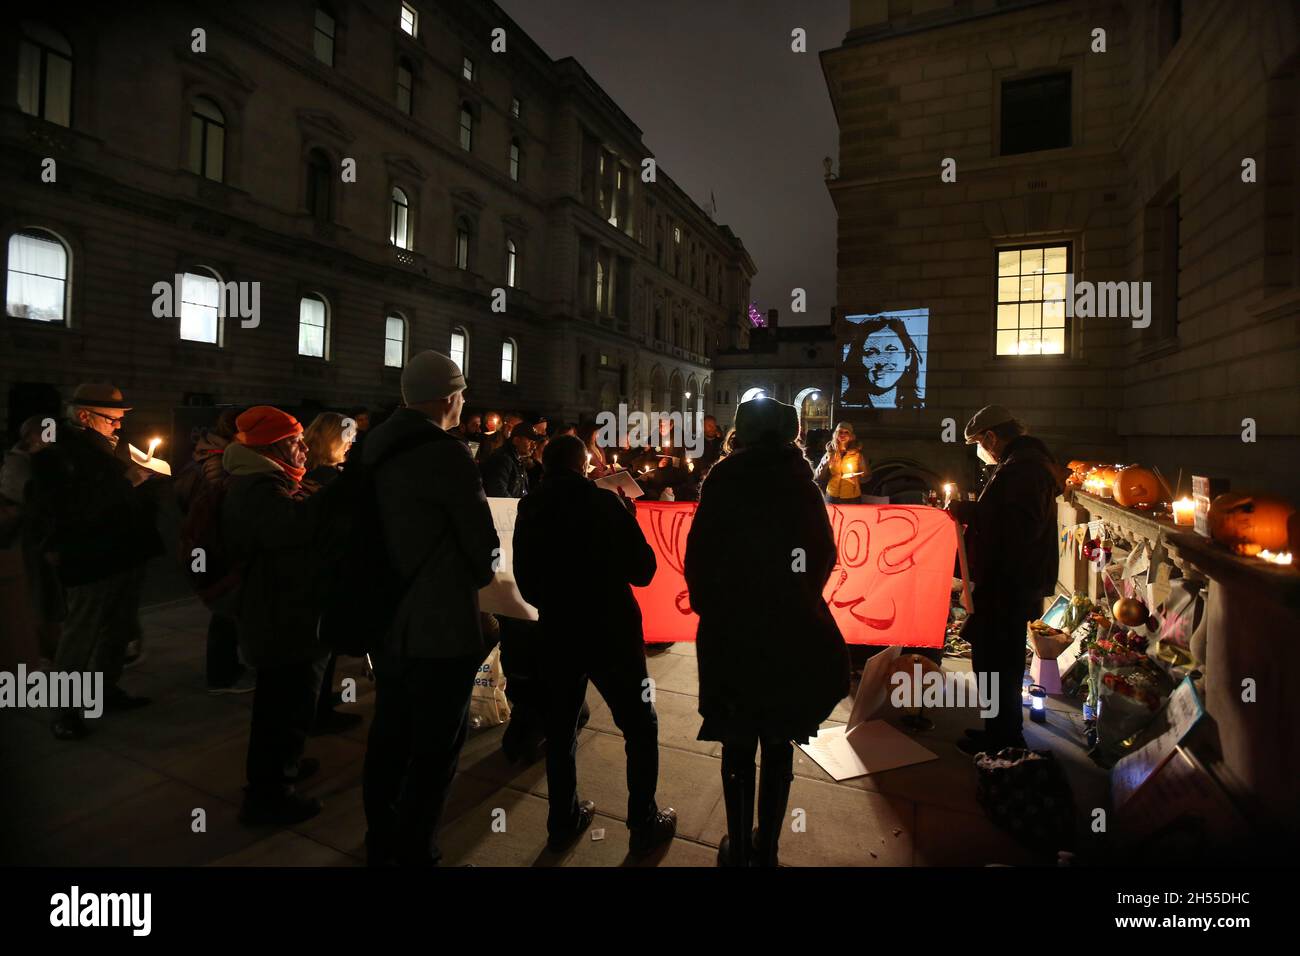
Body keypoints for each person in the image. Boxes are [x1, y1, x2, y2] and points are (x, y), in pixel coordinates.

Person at [684, 397, 849, 866]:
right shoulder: (802, 483)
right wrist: (797, 596)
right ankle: (767, 849)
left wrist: (710, 603)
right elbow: (822, 553)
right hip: (789, 629)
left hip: (732, 630)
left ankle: (737, 848)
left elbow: (701, 553)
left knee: (738, 741)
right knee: (778, 740)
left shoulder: (725, 478)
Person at [362, 350, 500, 866]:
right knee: (438, 742)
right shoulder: (446, 454)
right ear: (448, 398)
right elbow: (481, 549)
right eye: (462, 393)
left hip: (384, 613)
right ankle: (415, 849)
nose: (465, 401)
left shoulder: (375, 443)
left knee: (389, 732)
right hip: (437, 622)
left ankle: (382, 838)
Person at [513, 434, 677, 855]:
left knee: (561, 730)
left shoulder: (530, 508)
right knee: (640, 726)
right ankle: (643, 821)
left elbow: (527, 583)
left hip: (558, 633)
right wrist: (628, 518)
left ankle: (562, 821)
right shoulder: (604, 504)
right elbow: (642, 571)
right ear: (583, 466)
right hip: (611, 632)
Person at [27, 384, 165, 740]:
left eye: (120, 419)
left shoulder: (110, 444)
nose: (119, 426)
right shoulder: (56, 452)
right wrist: (129, 482)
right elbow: (68, 509)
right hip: (90, 558)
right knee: (80, 635)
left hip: (127, 552)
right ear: (85, 416)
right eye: (112, 419)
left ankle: (105, 691)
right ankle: (65, 711)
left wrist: (146, 481)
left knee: (118, 631)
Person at [220, 406, 334, 824]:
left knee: (290, 702)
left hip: (287, 611)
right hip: (279, 615)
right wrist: (334, 494)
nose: (304, 447)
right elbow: (292, 533)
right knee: (282, 704)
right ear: (271, 447)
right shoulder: (258, 487)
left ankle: (285, 763)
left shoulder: (269, 480)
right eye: (294, 441)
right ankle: (268, 794)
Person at [948, 405, 1065, 756]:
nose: (981, 450)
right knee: (994, 660)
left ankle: (1005, 738)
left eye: (979, 443)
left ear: (991, 437)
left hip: (1009, 585)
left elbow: (1018, 527)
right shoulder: (1023, 463)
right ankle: (998, 731)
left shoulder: (1024, 469)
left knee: (998, 662)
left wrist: (969, 512)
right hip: (1010, 582)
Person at [174, 408, 253, 695]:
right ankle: (222, 675)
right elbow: (220, 502)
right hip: (216, 545)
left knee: (225, 608)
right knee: (225, 609)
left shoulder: (211, 451)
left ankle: (225, 670)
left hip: (209, 544)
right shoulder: (220, 460)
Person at [301, 412, 364, 734]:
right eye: (348, 437)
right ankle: (318, 711)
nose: (352, 443)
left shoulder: (309, 470)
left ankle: (320, 700)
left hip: (314, 575)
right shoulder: (328, 480)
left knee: (322, 648)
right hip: (325, 575)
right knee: (321, 645)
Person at [839, 315, 924, 409]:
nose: (881, 361)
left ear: (908, 357)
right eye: (871, 352)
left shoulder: (917, 408)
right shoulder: (850, 407)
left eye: (891, 350)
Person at [481, 421, 539, 499]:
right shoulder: (503, 459)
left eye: (534, 442)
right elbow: (499, 494)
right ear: (516, 440)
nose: (534, 446)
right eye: (530, 441)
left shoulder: (517, 461)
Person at [815, 422, 868, 503]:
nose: (843, 435)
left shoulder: (857, 455)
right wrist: (826, 463)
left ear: (851, 436)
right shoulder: (830, 452)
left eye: (846, 432)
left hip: (852, 497)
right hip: (832, 496)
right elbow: (818, 476)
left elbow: (866, 476)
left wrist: (857, 477)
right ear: (836, 434)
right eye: (840, 432)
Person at [303, 412, 354, 487]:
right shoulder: (331, 476)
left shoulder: (296, 464)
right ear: (333, 439)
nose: (350, 445)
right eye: (348, 440)